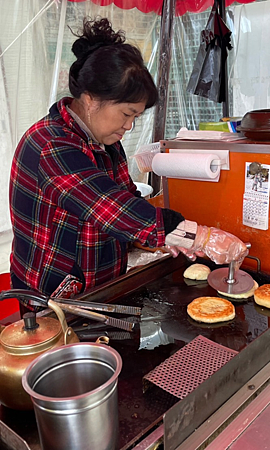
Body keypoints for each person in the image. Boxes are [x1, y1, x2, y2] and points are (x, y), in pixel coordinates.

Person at [9, 18, 248, 297]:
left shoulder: (105, 140)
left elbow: (126, 196)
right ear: (90, 100)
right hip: (53, 297)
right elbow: (110, 207)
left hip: (103, 284)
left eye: (136, 116)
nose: (129, 126)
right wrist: (201, 237)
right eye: (126, 113)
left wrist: (166, 235)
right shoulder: (51, 145)